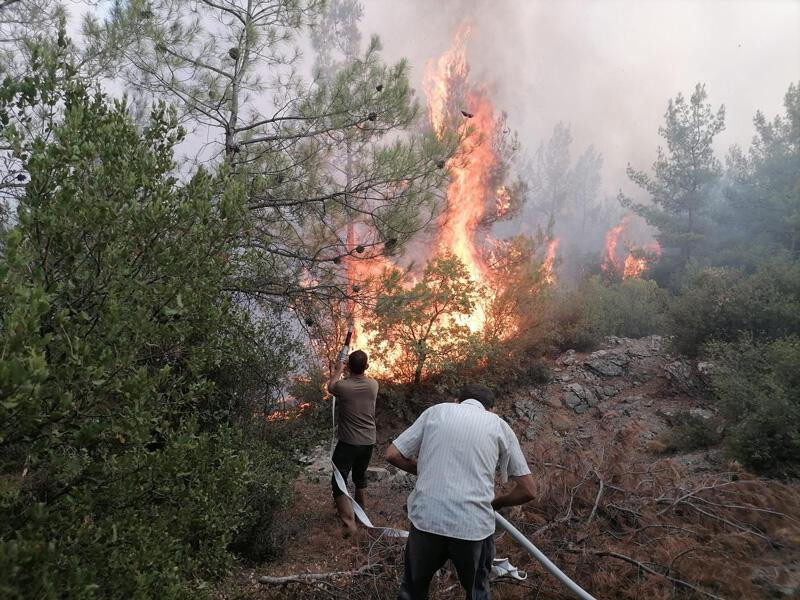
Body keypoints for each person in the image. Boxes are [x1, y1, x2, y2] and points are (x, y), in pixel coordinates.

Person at [386, 383, 535, 600]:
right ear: (491, 409)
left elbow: (392, 454)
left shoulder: (436, 412)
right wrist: (498, 503)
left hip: (426, 520)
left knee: (412, 592)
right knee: (476, 593)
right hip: (472, 527)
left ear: (456, 401)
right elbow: (528, 490)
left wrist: (426, 470)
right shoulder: (499, 425)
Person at [327, 349, 379, 537]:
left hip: (349, 442)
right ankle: (360, 514)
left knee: (338, 481)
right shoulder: (374, 385)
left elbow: (331, 386)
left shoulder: (343, 387)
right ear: (367, 366)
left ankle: (349, 525)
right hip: (368, 442)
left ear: (349, 366)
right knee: (360, 478)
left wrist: (338, 369)